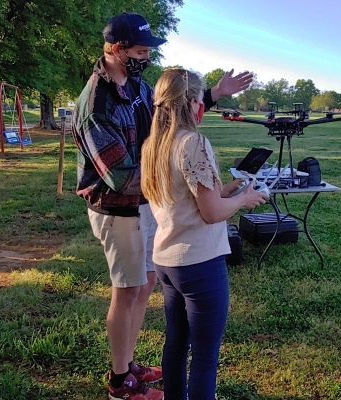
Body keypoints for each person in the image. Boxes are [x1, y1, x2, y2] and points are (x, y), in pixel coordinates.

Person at [71, 12, 254, 400]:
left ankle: (130, 360)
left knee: (146, 284)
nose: (146, 59)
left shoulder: (133, 82)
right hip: (117, 209)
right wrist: (187, 180)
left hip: (150, 208)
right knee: (128, 288)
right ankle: (121, 380)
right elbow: (120, 176)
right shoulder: (95, 105)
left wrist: (214, 93)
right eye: (140, 51)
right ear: (117, 50)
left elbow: (168, 112)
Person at [140, 68, 268, 400]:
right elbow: (212, 213)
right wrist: (244, 198)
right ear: (194, 102)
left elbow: (189, 198)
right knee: (205, 358)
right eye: (201, 100)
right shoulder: (193, 142)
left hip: (168, 261)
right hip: (199, 263)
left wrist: (227, 189)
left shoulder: (152, 145)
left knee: (176, 343)